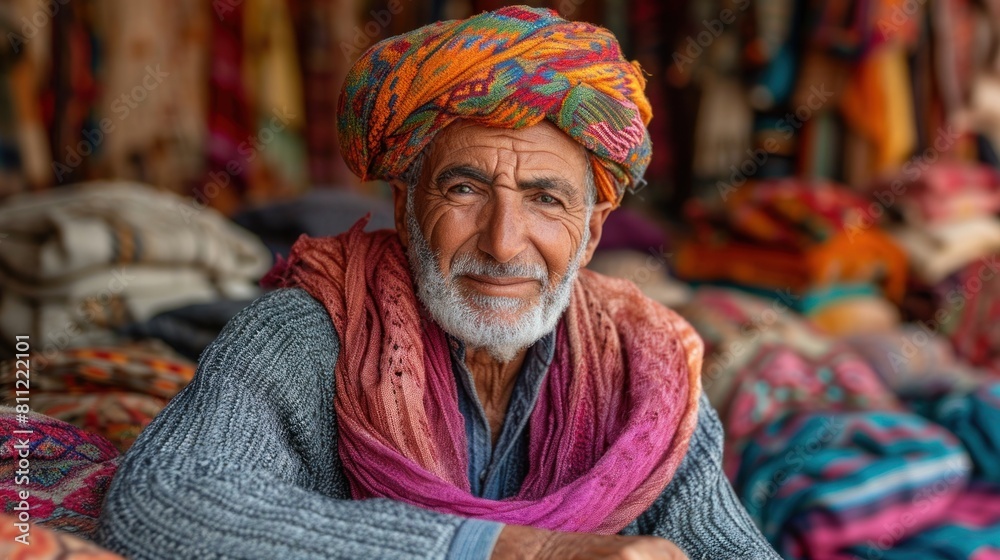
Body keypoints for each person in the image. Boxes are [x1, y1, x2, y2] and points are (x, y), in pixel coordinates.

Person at [98, 6, 780, 559]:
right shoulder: (304, 333)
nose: (503, 242)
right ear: (405, 205)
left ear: (594, 230)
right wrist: (511, 551)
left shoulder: (644, 369)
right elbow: (163, 501)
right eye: (464, 189)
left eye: (545, 199)